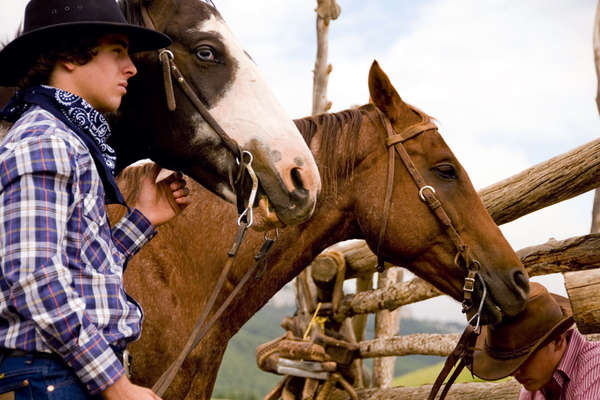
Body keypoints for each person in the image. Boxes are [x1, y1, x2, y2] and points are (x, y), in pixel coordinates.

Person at [0, 1, 188, 399]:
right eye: (117, 51)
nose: (131, 68)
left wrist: (144, 219)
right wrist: (116, 386)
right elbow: (34, 278)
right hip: (51, 380)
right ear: (70, 54)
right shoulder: (45, 140)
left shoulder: (67, 139)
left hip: (58, 376)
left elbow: (76, 268)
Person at [471, 282, 600, 399]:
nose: (514, 372)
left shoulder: (595, 371)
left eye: (524, 359)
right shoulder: (535, 388)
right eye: (508, 363)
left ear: (557, 340)